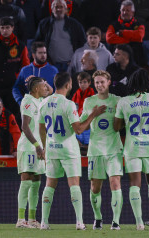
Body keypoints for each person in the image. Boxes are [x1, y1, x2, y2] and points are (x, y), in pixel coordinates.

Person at [39, 72, 106, 230]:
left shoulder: (44, 102)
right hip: (68, 150)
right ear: (68, 85)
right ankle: (79, 222)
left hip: (52, 149)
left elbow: (41, 128)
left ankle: (44, 222)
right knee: (74, 185)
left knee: (49, 185)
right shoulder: (68, 104)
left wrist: (44, 147)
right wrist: (93, 115)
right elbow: (79, 129)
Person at [113, 69, 149, 230]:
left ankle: (139, 222)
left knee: (134, 184)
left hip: (132, 147)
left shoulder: (124, 101)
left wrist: (126, 121)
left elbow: (116, 127)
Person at [79, 70, 123, 230]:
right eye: (96, 82)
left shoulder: (118, 101)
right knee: (95, 188)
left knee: (115, 183)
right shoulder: (89, 102)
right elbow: (80, 126)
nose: (99, 85)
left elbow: (123, 124)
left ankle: (116, 222)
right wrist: (93, 114)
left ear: (109, 82)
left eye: (102, 82)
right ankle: (98, 218)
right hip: (95, 150)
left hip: (114, 150)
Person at [15, 77, 49, 229]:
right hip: (29, 147)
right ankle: (21, 220)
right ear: (36, 89)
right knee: (26, 180)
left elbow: (51, 91)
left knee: (36, 182)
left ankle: (32, 219)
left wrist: (40, 80)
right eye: (43, 86)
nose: (46, 88)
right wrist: (37, 145)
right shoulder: (28, 101)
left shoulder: (39, 100)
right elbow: (24, 126)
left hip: (38, 147)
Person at [0, 16, 30, 123]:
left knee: (13, 114)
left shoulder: (21, 46)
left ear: (12, 28)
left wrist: (16, 79)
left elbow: (25, 68)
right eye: (2, 28)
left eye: (7, 27)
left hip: (13, 86)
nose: (5, 30)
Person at [34, 0, 86, 72]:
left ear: (66, 9)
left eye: (61, 7)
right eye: (56, 7)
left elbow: (83, 43)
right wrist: (46, 60)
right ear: (52, 10)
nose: (59, 9)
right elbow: (38, 43)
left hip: (70, 65)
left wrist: (76, 60)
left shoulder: (75, 24)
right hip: (51, 64)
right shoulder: (44, 24)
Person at [13, 41, 57, 106]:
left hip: (47, 107)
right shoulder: (25, 70)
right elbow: (16, 88)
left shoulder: (53, 70)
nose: (43, 55)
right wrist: (21, 101)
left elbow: (57, 90)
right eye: (40, 53)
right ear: (33, 55)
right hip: (29, 107)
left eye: (44, 53)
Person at [106, 0, 146, 66]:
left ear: (133, 12)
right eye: (123, 10)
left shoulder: (139, 24)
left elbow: (139, 36)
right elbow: (109, 38)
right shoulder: (113, 24)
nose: (125, 12)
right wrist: (130, 39)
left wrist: (122, 33)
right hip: (116, 60)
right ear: (120, 11)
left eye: (128, 10)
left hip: (135, 59)